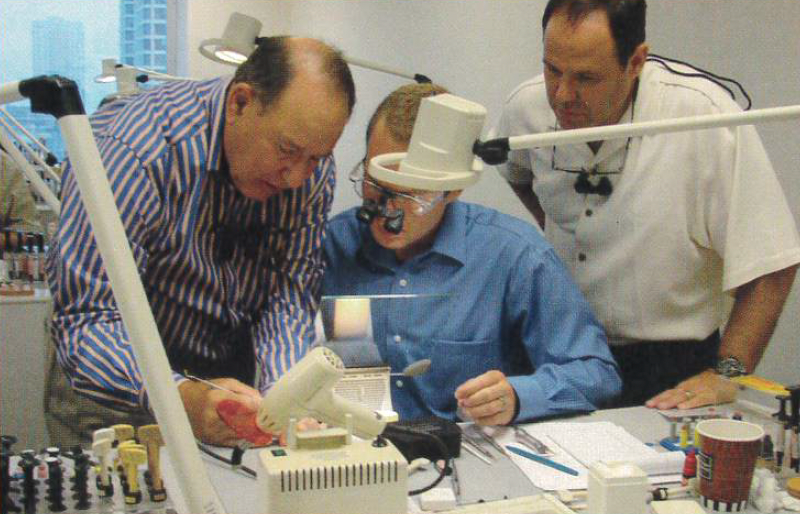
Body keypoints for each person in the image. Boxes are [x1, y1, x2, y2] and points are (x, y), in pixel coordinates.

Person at [46, 37, 355, 446]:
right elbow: (88, 319)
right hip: (117, 391)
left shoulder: (307, 165)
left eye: (316, 158)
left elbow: (288, 294)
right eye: (286, 150)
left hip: (227, 388)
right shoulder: (132, 150)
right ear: (240, 103)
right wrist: (178, 395)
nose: (297, 178)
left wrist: (285, 396)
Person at [495, 0, 800, 409]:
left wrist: (729, 373)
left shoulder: (703, 118)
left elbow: (773, 264)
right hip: (563, 354)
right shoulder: (527, 106)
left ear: (636, 61)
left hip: (669, 365)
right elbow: (516, 171)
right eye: (552, 70)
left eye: (586, 77)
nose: (563, 95)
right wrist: (558, 224)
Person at [322, 83, 621, 425]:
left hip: (462, 447)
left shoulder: (516, 256)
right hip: (355, 444)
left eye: (413, 196)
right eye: (377, 185)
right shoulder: (332, 246)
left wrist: (518, 396)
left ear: (454, 190)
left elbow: (596, 373)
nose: (388, 211)